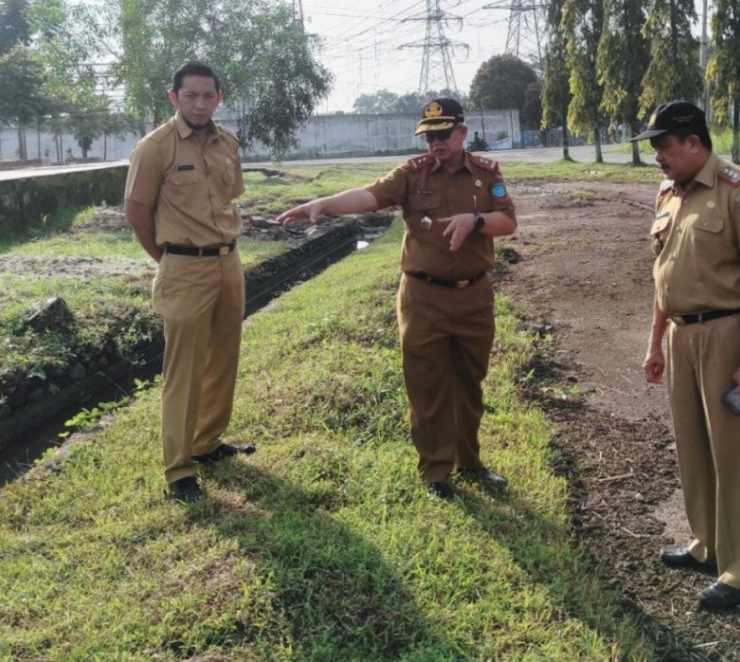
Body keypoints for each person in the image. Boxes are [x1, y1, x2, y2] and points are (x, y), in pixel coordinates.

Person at [276, 98, 516, 499]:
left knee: (469, 386)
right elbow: (370, 196)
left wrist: (473, 221)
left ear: (462, 132)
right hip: (423, 298)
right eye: (428, 136)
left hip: (474, 296)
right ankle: (436, 474)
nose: (434, 143)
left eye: (442, 135)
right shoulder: (412, 174)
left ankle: (470, 462)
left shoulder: (486, 174)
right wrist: (324, 204)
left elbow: (507, 221)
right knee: (426, 387)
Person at [639, 100, 740, 611]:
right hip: (680, 334)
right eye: (654, 147)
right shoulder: (668, 193)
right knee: (693, 446)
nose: (657, 156)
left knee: (734, 455)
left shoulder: (739, 192)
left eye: (663, 146)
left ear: (693, 143)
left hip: (725, 333)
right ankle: (707, 546)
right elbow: (663, 274)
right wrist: (655, 341)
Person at [124, 61, 254, 504]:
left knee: (223, 358)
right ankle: (179, 469)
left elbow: (229, 198)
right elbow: (137, 212)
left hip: (228, 263)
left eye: (208, 95)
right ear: (173, 97)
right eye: (190, 95)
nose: (199, 104)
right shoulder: (154, 147)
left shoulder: (228, 142)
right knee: (183, 371)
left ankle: (208, 442)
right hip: (183, 267)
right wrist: (168, 260)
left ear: (220, 97)